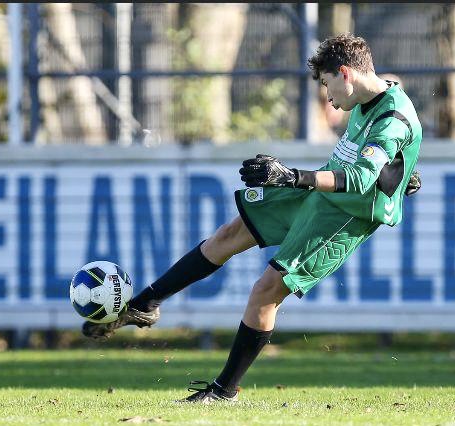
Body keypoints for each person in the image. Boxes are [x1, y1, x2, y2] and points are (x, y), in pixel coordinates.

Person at [81, 33, 423, 403]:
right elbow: (391, 141)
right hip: (322, 194)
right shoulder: (375, 91)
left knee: (266, 290)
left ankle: (224, 391)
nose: (328, 97)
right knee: (230, 232)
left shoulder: (391, 118)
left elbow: (360, 179)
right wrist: (402, 173)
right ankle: (147, 304)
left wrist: (293, 177)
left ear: (345, 74)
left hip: (347, 214)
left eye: (327, 85)